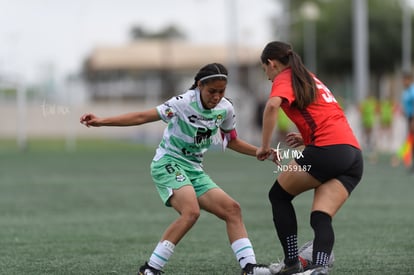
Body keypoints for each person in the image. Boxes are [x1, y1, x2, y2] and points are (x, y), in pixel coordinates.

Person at [80, 63, 271, 275]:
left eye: (221, 91)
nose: (217, 96)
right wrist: (101, 121)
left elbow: (231, 140)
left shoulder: (225, 108)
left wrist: (260, 151)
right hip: (168, 162)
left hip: (193, 169)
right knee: (191, 212)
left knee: (232, 209)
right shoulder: (182, 103)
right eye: (212, 91)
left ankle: (249, 267)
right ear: (200, 85)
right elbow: (142, 117)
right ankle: (150, 269)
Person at [256, 41, 363, 275]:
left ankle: (292, 262)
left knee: (279, 196)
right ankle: (320, 266)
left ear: (271, 63)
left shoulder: (285, 77)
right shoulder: (309, 77)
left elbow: (272, 106)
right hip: (352, 154)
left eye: (265, 70)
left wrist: (264, 146)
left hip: (327, 150)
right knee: (321, 216)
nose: (267, 77)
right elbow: (326, 115)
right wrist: (308, 139)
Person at [400, 72, 414, 171]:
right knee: (410, 141)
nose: (404, 82)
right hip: (408, 118)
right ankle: (409, 162)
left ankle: (407, 160)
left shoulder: (412, 91)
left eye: (406, 80)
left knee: (411, 140)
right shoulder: (405, 92)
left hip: (412, 118)